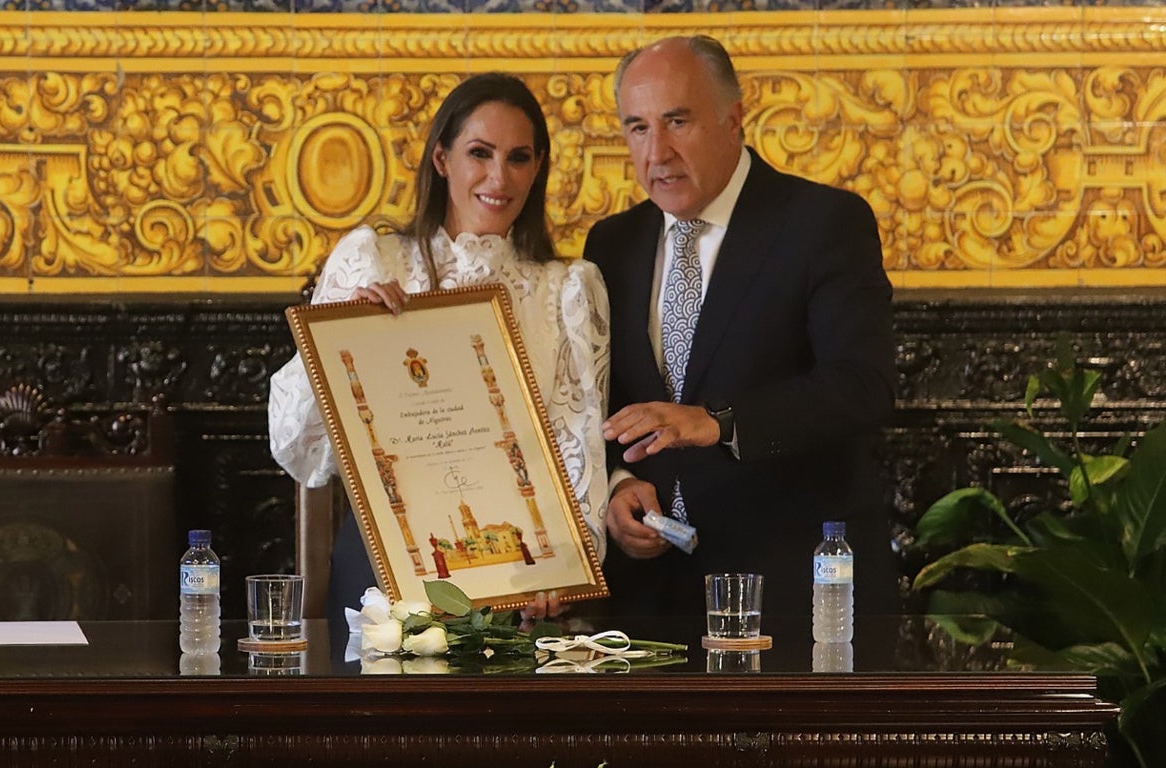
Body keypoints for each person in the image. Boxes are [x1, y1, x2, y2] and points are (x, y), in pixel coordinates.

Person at [269, 72, 610, 624]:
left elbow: (580, 444)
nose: (499, 177)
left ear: (538, 168)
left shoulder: (567, 289)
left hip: (519, 577)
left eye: (518, 157)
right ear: (441, 159)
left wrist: (567, 567)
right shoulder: (372, 260)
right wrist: (344, 336)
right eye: (480, 153)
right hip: (386, 571)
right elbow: (299, 447)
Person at [584, 36, 896, 619]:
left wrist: (718, 422)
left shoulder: (824, 223)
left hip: (790, 591)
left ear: (734, 118)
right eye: (638, 128)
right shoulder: (611, 244)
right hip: (647, 600)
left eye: (677, 121)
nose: (657, 152)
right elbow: (599, 403)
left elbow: (863, 387)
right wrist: (620, 484)